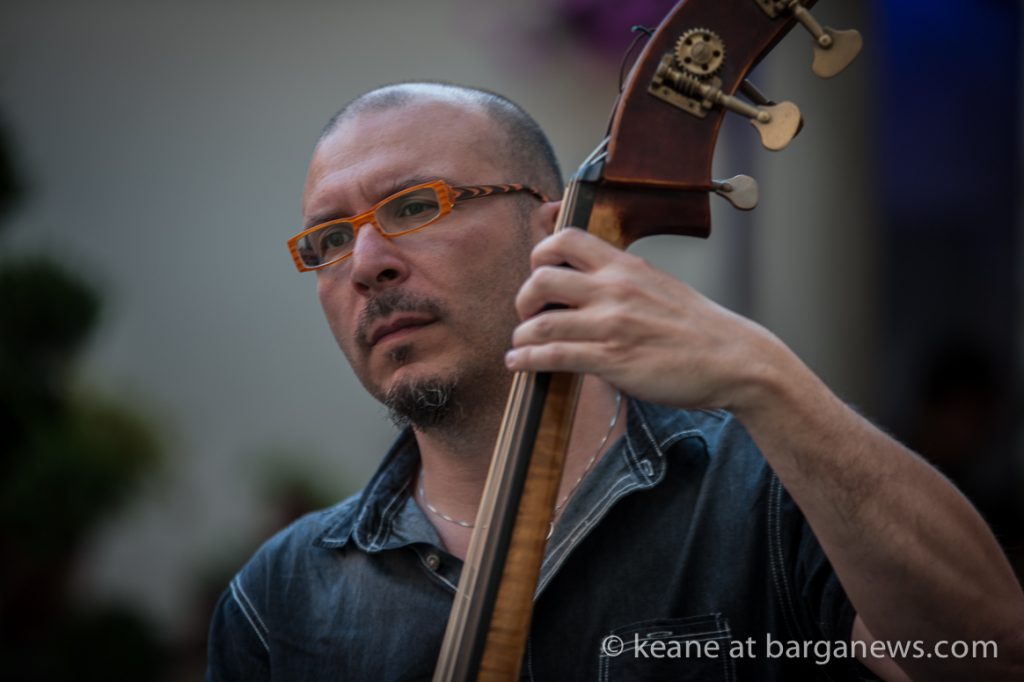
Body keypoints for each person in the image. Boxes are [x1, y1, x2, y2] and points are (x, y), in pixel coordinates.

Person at [207, 82, 1024, 681]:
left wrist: (768, 379)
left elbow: (988, 656)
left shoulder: (774, 497)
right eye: (327, 241)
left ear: (553, 229)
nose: (365, 264)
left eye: (416, 206)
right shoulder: (279, 599)